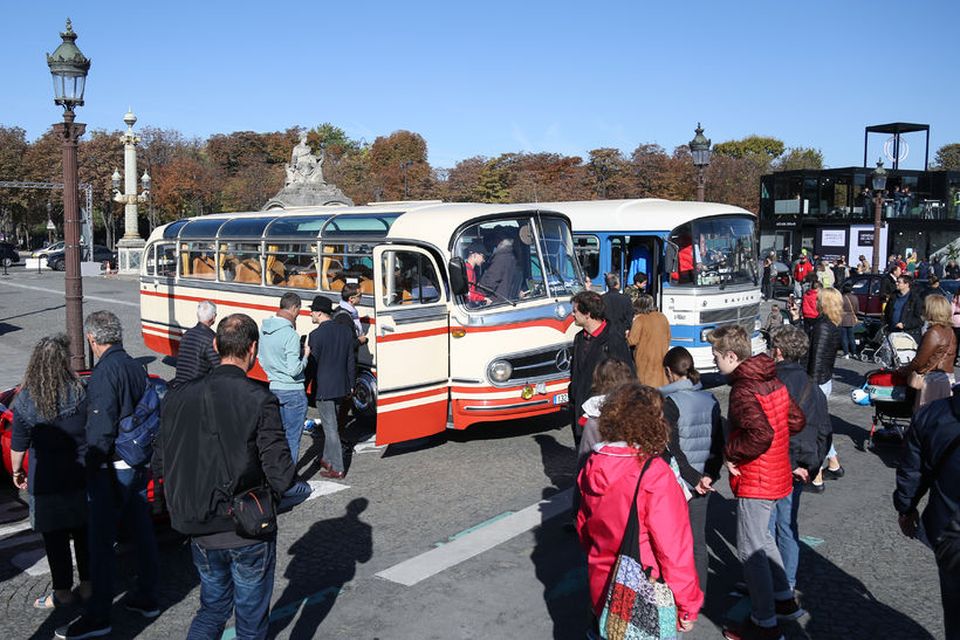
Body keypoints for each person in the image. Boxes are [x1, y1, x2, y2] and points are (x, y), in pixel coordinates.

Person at [156, 313, 295, 640]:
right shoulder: (260, 398)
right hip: (246, 527)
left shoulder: (178, 395)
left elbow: (160, 460)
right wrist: (271, 497)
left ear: (216, 345)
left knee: (212, 609)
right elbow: (281, 472)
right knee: (250, 621)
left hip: (199, 526)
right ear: (253, 349)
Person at [57, 311, 158, 640]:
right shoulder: (134, 365)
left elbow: (100, 430)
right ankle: (147, 596)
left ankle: (99, 616)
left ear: (91, 338)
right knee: (142, 533)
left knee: (100, 543)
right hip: (138, 460)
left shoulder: (104, 374)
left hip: (113, 466)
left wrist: (91, 467)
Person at [576, 383, 703, 636]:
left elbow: (583, 526)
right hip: (644, 586)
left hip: (602, 581)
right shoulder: (653, 473)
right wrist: (687, 603)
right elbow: (673, 548)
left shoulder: (593, 463)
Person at [708, 325, 806, 640]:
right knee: (764, 538)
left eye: (716, 357)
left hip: (757, 477)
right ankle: (784, 600)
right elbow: (795, 420)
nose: (714, 363)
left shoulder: (743, 389)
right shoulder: (771, 378)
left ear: (731, 356)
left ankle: (765, 622)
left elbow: (759, 434)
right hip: (776, 469)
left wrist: (731, 453)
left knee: (751, 549)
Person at [10, 335, 90, 610]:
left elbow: (18, 445)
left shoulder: (26, 400)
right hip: (79, 475)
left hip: (45, 480)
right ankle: (89, 585)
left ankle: (63, 591)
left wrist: (17, 472)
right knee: (83, 533)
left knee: (54, 539)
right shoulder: (80, 391)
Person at [769, 325, 832, 591]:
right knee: (787, 525)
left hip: (773, 463)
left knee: (765, 528)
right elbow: (825, 432)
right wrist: (810, 466)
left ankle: (766, 579)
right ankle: (787, 583)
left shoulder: (771, 384)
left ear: (779, 351)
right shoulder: (813, 388)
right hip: (799, 466)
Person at [894, 394, 960, 639]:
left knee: (955, 611)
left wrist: (906, 507)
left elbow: (913, 470)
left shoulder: (933, 414)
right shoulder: (933, 414)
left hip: (950, 530)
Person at [660, 347, 723, 593]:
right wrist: (708, 476)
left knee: (675, 541)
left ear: (669, 372)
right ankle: (699, 593)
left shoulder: (670, 403)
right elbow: (719, 443)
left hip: (680, 481)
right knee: (698, 540)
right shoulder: (711, 399)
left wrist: (692, 478)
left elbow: (671, 447)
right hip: (703, 480)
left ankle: (678, 592)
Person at [568, 291, 632, 447]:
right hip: (580, 410)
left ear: (587, 313)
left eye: (575, 311)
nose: (572, 315)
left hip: (602, 414)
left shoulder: (613, 338)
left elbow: (628, 376)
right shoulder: (579, 338)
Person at [307, 296, 356, 479]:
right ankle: (326, 459)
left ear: (319, 313)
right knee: (332, 424)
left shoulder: (315, 335)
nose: (310, 313)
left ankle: (337, 467)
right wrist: (351, 384)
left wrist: (305, 387)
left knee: (330, 428)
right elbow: (350, 360)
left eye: (312, 310)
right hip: (342, 385)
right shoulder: (344, 332)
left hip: (324, 389)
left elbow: (312, 365)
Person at [258, 293, 310, 465]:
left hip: (273, 387)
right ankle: (289, 479)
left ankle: (276, 474)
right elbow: (294, 369)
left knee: (277, 437)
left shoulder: (264, 329)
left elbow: (261, 358)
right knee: (292, 438)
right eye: (299, 310)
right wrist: (306, 356)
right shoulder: (290, 335)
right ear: (294, 308)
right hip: (293, 391)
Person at [576, 358, 635, 471]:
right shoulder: (639, 411)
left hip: (604, 477)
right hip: (634, 477)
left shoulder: (594, 420)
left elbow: (584, 459)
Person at [898, 294, 956, 409]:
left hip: (932, 380)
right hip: (946, 377)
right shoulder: (950, 331)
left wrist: (904, 370)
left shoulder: (933, 332)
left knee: (925, 416)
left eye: (925, 307)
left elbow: (920, 361)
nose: (922, 310)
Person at [172, 300, 220, 389]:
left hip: (178, 388)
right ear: (213, 317)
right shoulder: (211, 339)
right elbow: (218, 368)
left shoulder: (187, 334)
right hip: (195, 391)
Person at [627, 294, 670, 388]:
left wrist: (626, 335)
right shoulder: (662, 317)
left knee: (646, 389)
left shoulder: (640, 320)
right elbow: (669, 336)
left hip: (645, 361)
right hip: (661, 357)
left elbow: (632, 341)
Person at [884, 274, 924, 342]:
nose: (896, 284)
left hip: (908, 335)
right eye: (896, 281)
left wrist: (905, 325)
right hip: (892, 333)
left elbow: (919, 319)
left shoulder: (915, 299)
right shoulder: (893, 296)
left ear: (906, 284)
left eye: (899, 282)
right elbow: (887, 312)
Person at [478, 236, 518, 302]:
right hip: (507, 299)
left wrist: (477, 292)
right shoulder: (511, 257)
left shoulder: (501, 258)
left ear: (500, 242)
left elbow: (491, 281)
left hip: (497, 301)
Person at [600, 273, 632, 339]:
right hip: (621, 333)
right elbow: (629, 317)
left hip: (605, 333)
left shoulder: (601, 299)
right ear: (617, 284)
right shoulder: (626, 299)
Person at [839, 282, 859, 358]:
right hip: (851, 318)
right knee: (852, 337)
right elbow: (857, 310)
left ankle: (846, 353)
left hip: (843, 318)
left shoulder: (842, 298)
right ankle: (854, 352)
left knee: (844, 337)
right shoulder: (855, 298)